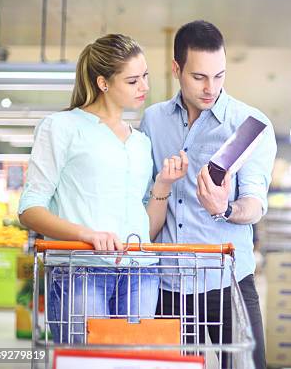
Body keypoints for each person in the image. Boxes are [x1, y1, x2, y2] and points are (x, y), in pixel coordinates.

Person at [18, 34, 188, 343]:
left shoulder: (140, 143)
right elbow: (29, 209)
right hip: (81, 270)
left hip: (141, 271)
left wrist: (163, 184)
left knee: (136, 365)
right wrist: (86, 234)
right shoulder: (61, 127)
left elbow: (146, 227)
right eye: (133, 80)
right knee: (84, 362)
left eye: (146, 76)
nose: (145, 87)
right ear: (103, 83)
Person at [140, 20, 276, 368]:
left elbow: (255, 202)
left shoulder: (248, 123)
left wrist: (226, 209)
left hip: (228, 279)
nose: (210, 88)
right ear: (176, 69)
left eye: (219, 76)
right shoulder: (153, 121)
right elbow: (144, 198)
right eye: (199, 77)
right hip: (169, 281)